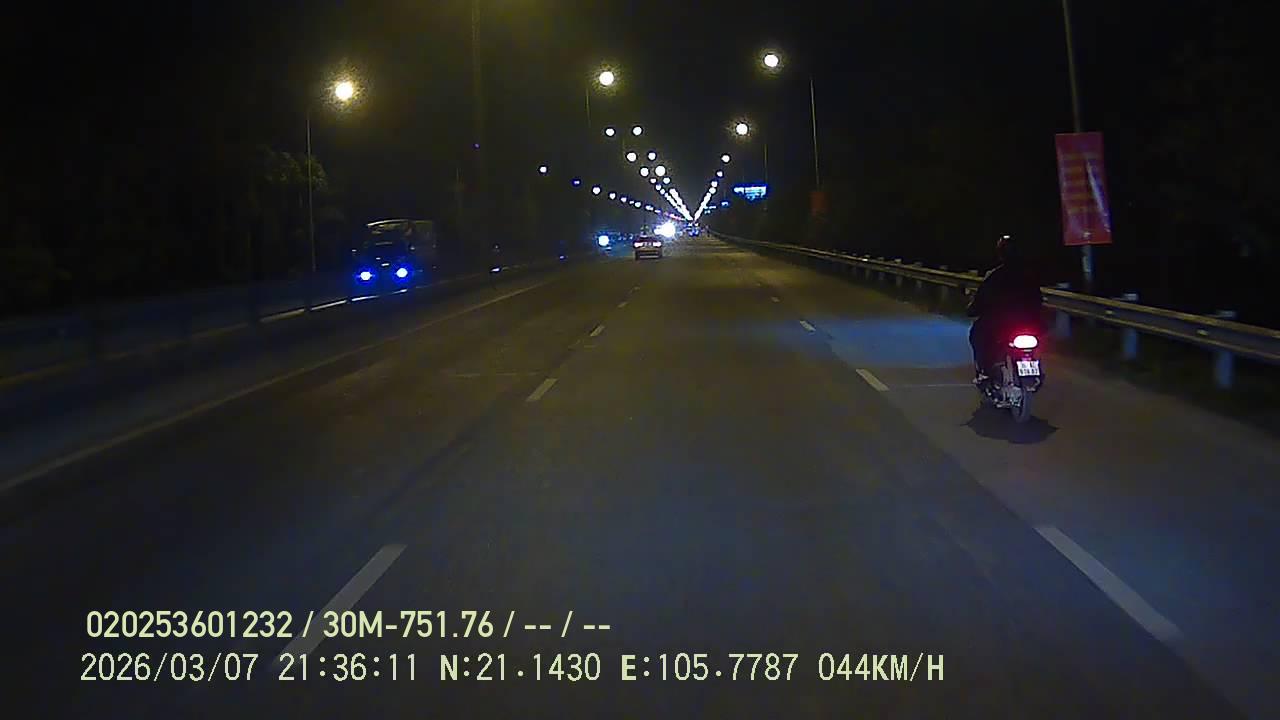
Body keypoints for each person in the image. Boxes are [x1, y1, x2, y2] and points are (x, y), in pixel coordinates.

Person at [966, 235, 1043, 380]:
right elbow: (1038, 300)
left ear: (1000, 253)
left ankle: (984, 371)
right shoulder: (1029, 275)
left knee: (977, 335)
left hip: (1001, 323)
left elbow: (981, 299)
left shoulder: (994, 276)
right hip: (1027, 323)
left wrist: (972, 309)